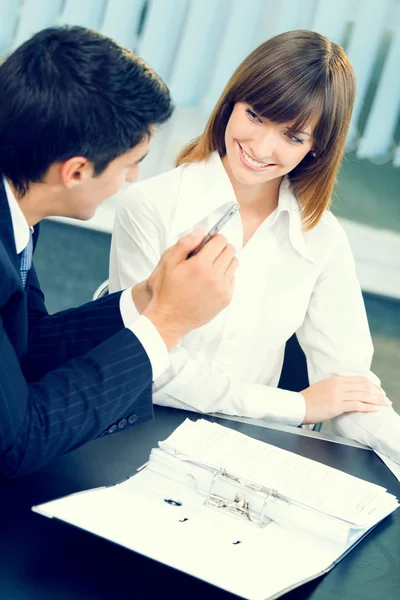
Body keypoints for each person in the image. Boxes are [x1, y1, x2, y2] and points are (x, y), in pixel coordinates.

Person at [110, 30, 400, 464]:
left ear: (317, 148)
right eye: (256, 116)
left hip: (244, 455)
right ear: (232, 102)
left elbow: (349, 387)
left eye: (293, 137)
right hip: (138, 438)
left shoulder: (321, 236)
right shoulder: (151, 206)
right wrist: (297, 407)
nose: (262, 148)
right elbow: (150, 370)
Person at [0, 26, 238, 478]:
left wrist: (145, 298)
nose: (132, 180)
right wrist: (167, 324)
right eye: (132, 164)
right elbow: (15, 442)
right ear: (76, 171)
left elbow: (21, 350)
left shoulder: (18, 212)